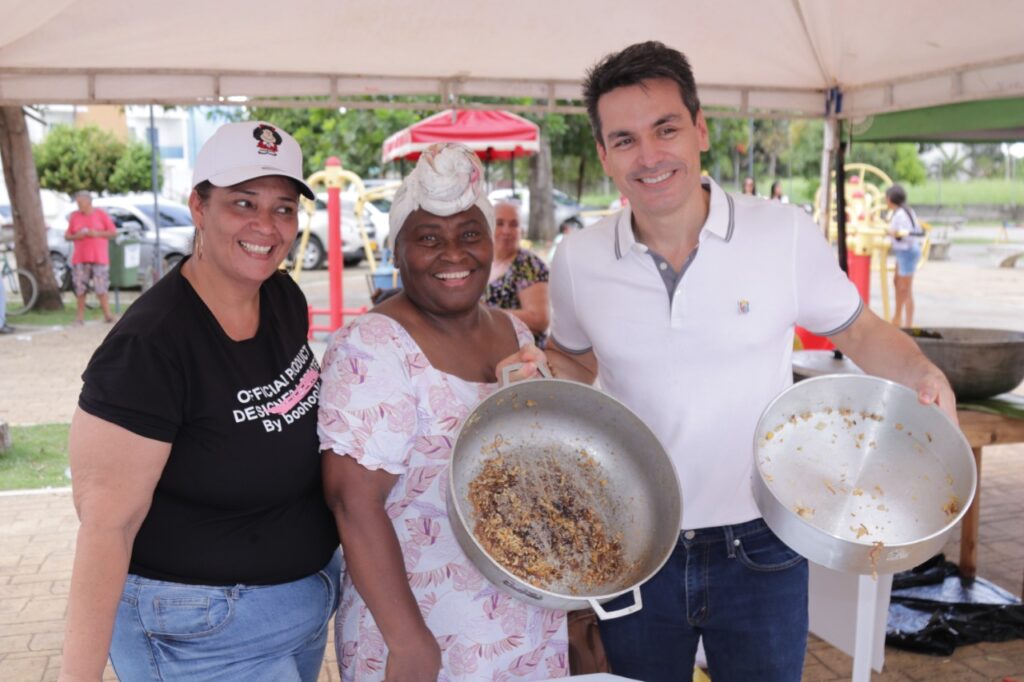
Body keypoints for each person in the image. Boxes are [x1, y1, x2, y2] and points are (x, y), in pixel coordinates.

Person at [502, 41, 955, 682]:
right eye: (625, 140)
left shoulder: (782, 232)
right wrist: (538, 375)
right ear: (603, 155)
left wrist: (921, 373)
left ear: (700, 130)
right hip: (630, 541)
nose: (650, 156)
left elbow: (859, 329)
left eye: (666, 129)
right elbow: (571, 359)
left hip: (764, 540)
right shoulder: (580, 258)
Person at [59, 121, 341, 682]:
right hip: (200, 634)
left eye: (284, 208)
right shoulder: (150, 346)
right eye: (243, 203)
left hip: (297, 611)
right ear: (198, 207)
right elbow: (105, 526)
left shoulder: (281, 297)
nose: (267, 226)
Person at [318, 143, 568, 682]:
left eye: (469, 235)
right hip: (423, 633)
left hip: (524, 627)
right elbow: (352, 502)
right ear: (397, 250)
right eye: (428, 238)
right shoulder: (372, 346)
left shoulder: (514, 331)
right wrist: (409, 643)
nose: (453, 255)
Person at [485, 199, 551, 345]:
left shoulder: (528, 265)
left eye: (513, 224)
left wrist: (485, 315)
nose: (506, 230)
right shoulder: (483, 261)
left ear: (521, 230)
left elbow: (539, 319)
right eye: (500, 223)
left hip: (521, 358)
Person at [64, 190, 118, 324]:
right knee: (80, 288)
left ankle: (107, 315)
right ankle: (80, 317)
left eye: (80, 203)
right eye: (77, 203)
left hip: (99, 258)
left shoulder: (101, 214)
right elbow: (67, 236)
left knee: (101, 287)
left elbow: (113, 233)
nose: (78, 205)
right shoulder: (74, 216)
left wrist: (97, 234)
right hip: (80, 258)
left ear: (88, 202)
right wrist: (77, 236)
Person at [886, 184, 924, 328]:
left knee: (905, 289)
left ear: (889, 199)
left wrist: (892, 233)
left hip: (907, 252)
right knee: (897, 282)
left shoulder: (901, 214)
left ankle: (907, 324)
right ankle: (897, 317)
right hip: (903, 252)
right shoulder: (904, 211)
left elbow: (905, 233)